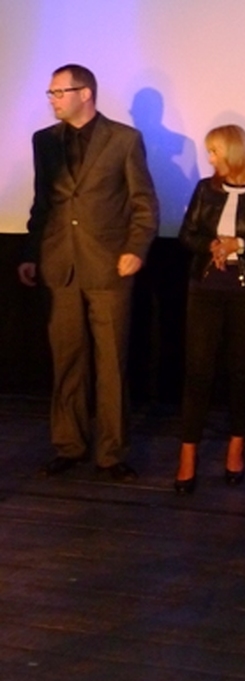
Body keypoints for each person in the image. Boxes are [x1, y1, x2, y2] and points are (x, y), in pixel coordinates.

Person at [19, 64, 159, 482]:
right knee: (68, 359)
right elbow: (43, 203)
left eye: (59, 92)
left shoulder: (124, 139)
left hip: (109, 264)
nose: (52, 99)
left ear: (85, 93)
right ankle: (69, 445)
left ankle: (111, 453)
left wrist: (135, 249)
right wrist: (30, 253)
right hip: (59, 262)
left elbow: (144, 203)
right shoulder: (44, 140)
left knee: (111, 362)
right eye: (50, 93)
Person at [173, 125, 245, 494]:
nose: (210, 159)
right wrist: (211, 245)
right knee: (198, 371)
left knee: (240, 370)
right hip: (205, 288)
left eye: (215, 151)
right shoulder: (205, 189)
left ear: (233, 151)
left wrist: (238, 245)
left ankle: (236, 447)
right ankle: (188, 454)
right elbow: (186, 233)